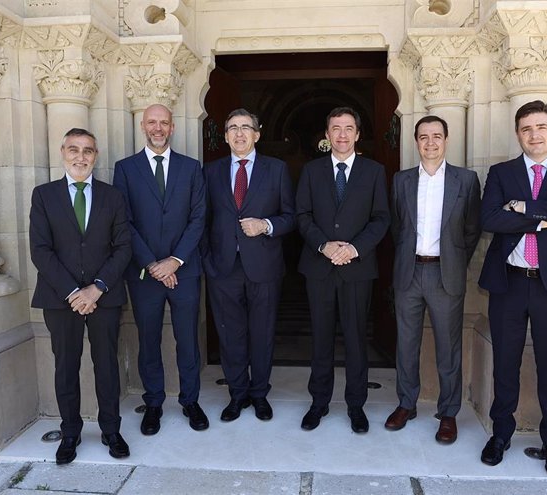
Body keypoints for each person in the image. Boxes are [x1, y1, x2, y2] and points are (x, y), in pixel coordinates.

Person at [478, 100, 547, 477]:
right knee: (505, 364)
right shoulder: (501, 172)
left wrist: (523, 208)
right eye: (526, 129)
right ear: (518, 134)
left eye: (541, 127)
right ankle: (501, 434)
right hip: (509, 282)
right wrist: (546, 219)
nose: (534, 135)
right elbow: (490, 218)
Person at [29, 128, 131, 464]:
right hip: (61, 299)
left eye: (88, 150)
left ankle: (111, 429)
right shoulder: (43, 196)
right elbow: (41, 251)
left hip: (104, 295)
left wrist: (96, 288)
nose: (81, 156)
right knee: (66, 366)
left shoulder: (113, 196)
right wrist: (74, 292)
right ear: (63, 152)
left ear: (96, 155)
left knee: (106, 366)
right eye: (74, 149)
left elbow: (123, 247)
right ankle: (70, 432)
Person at [113, 104, 208, 435]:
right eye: (152, 122)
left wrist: (174, 261)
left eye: (164, 122)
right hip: (144, 274)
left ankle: (190, 401)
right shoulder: (125, 169)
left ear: (172, 128)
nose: (158, 128)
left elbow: (198, 218)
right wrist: (152, 263)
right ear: (143, 126)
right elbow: (124, 221)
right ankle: (153, 403)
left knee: (187, 339)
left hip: (185, 270)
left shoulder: (191, 167)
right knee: (149, 338)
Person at [386, 116, 481, 443]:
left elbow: (471, 231)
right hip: (409, 272)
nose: (430, 142)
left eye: (437, 136)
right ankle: (406, 404)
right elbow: (398, 228)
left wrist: (454, 263)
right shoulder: (401, 180)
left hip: (446, 274)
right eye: (424, 136)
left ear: (446, 139)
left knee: (448, 348)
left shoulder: (466, 181)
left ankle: (448, 412)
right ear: (416, 141)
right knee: (406, 343)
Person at [295, 106, 390, 433]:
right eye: (336, 128)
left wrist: (353, 248)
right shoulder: (310, 171)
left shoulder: (374, 171)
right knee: (320, 339)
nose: (342, 134)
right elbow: (302, 216)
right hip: (319, 267)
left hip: (356, 268)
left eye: (349, 128)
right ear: (327, 134)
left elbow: (381, 218)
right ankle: (318, 402)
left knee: (355, 340)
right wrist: (324, 245)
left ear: (358, 134)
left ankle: (356, 405)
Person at [202, 108, 295, 422]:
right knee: (231, 335)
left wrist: (266, 225)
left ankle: (259, 395)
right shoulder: (211, 171)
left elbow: (291, 216)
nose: (239, 133)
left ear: (257, 133)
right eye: (232, 128)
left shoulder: (277, 169)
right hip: (223, 267)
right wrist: (207, 260)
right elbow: (202, 219)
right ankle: (237, 394)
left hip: (264, 266)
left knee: (262, 333)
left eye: (245, 127)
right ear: (225, 135)